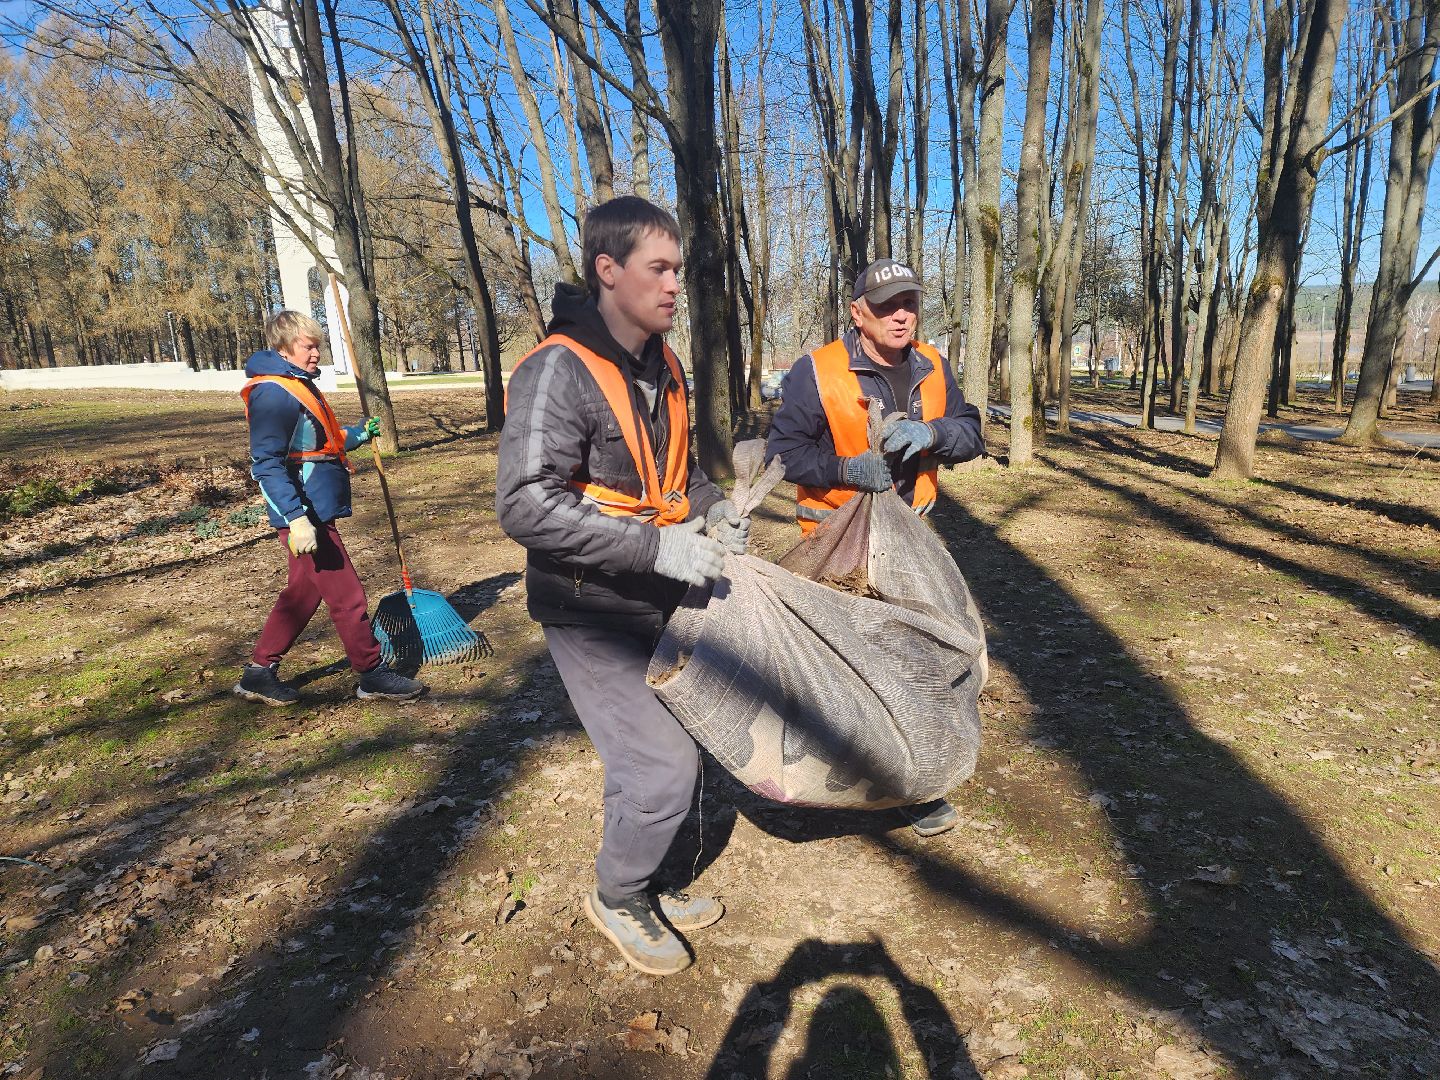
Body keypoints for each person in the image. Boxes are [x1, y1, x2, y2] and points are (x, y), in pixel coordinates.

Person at [496, 196, 749, 976]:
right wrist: (656, 548)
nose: (676, 286)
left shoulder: (662, 367)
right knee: (662, 766)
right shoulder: (556, 370)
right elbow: (524, 503)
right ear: (608, 271)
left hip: (654, 593)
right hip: (586, 606)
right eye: (658, 269)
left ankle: (651, 880)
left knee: (663, 755)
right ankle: (616, 894)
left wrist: (716, 514)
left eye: (679, 270)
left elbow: (678, 480)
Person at [765, 257, 984, 837]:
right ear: (858, 313)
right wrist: (845, 467)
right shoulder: (818, 370)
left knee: (916, 663)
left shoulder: (933, 364)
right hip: (837, 546)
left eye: (908, 302)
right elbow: (782, 453)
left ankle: (912, 788)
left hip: (912, 540)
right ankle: (841, 770)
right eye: (886, 305)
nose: (900, 315)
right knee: (852, 670)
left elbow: (972, 430)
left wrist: (934, 433)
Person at [234, 311, 426, 707]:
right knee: (348, 595)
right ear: (285, 347)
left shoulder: (297, 385)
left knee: (302, 595)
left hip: (314, 507)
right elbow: (266, 463)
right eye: (309, 346)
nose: (316, 353)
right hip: (305, 514)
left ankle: (258, 673)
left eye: (318, 345)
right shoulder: (274, 392)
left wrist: (357, 434)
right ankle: (371, 674)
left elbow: (317, 442)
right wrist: (297, 519)